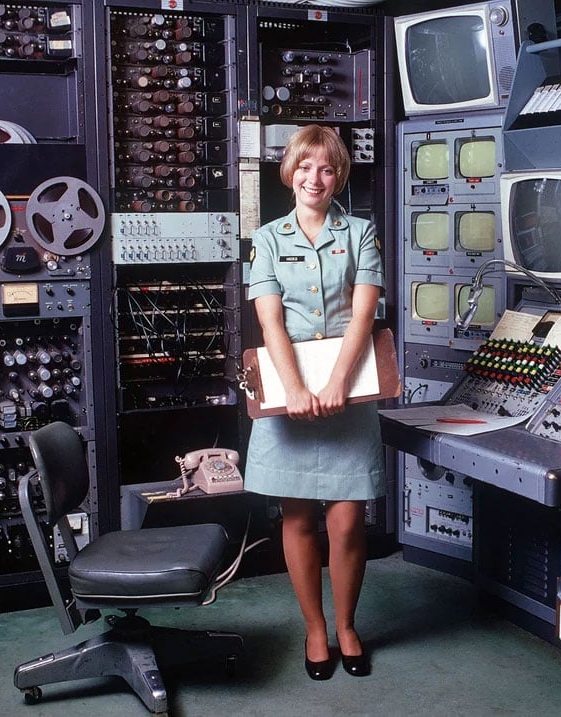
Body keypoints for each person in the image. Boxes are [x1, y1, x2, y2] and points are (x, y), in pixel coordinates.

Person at [244, 124, 384, 681]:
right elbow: (269, 319)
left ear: (339, 176)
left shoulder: (361, 234)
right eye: (305, 167)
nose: (315, 178)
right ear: (290, 172)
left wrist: (337, 385)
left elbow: (363, 315)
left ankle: (347, 624)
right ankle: (316, 629)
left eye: (326, 169)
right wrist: (298, 388)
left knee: (348, 522)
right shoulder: (269, 238)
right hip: (288, 389)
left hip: (348, 389)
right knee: (299, 516)